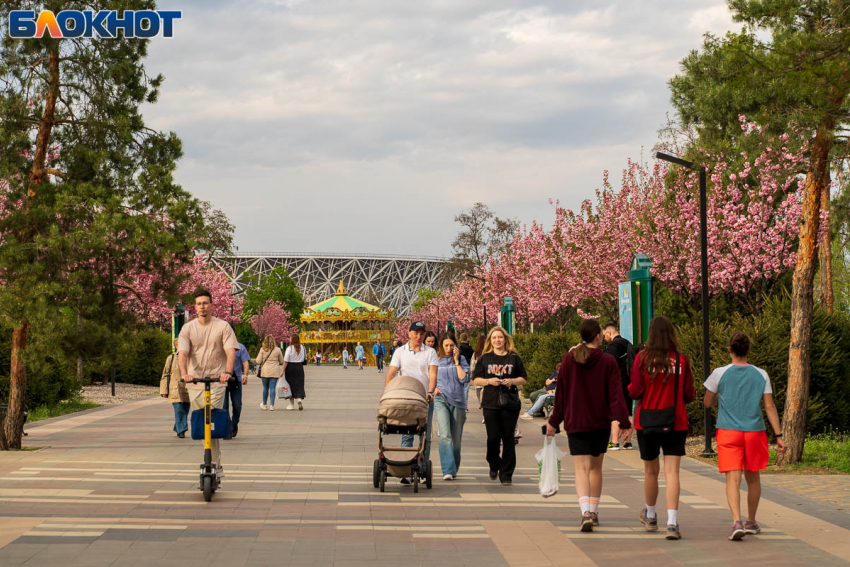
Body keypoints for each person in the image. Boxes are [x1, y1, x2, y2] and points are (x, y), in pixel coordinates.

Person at [547, 319, 630, 532]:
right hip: (600, 422)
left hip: (576, 422)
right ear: (598, 336)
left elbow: (561, 395)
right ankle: (593, 511)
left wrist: (554, 421)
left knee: (581, 469)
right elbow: (616, 395)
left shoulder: (569, 360)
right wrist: (623, 421)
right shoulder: (608, 361)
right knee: (596, 468)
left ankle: (584, 511)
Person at [704, 332, 785, 541]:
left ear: (730, 350)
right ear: (748, 350)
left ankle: (736, 522)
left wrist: (717, 396)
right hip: (754, 432)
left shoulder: (718, 373)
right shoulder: (761, 374)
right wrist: (779, 435)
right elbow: (769, 406)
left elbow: (707, 403)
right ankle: (751, 521)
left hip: (728, 431)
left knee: (733, 478)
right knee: (753, 478)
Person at [628, 316, 695, 540]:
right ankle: (672, 523)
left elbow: (635, 391)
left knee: (650, 472)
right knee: (672, 472)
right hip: (675, 421)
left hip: (646, 421)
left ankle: (651, 515)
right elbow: (689, 394)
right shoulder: (681, 360)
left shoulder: (642, 358)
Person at [178, 288, 239, 478]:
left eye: (205, 303)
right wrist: (184, 374)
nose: (202, 306)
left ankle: (215, 464)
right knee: (201, 424)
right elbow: (183, 353)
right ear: (195, 307)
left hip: (217, 382)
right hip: (195, 382)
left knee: (211, 422)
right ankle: (208, 459)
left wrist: (227, 373)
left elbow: (230, 352)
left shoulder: (223, 326)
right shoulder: (188, 328)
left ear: (211, 305)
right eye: (198, 303)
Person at [472, 326, 527, 486]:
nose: (497, 340)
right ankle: (494, 463)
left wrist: (513, 381)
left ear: (505, 340)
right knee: (493, 438)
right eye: (494, 338)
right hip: (491, 403)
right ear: (490, 341)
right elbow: (476, 380)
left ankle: (507, 474)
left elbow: (523, 378)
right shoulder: (485, 358)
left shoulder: (514, 358)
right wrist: (489, 381)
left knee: (508, 438)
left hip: (510, 403)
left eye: (500, 337)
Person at [386, 321, 438, 484]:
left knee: (425, 436)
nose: (419, 336)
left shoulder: (430, 352)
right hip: (406, 397)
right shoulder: (400, 352)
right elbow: (392, 373)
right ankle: (406, 469)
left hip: (424, 399)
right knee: (406, 434)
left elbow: (433, 375)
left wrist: (430, 392)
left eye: (422, 333)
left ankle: (422, 467)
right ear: (409, 334)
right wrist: (388, 392)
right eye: (416, 332)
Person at [434, 333, 470, 480]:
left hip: (458, 401)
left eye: (451, 345)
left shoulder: (461, 360)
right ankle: (447, 470)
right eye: (446, 345)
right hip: (441, 399)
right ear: (441, 346)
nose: (449, 348)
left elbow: (464, 379)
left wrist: (456, 362)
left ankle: (453, 468)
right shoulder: (436, 360)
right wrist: (433, 388)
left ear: (456, 346)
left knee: (456, 439)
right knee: (445, 436)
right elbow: (429, 376)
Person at [603, 324, 635, 450]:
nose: (604, 337)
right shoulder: (628, 343)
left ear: (609, 332)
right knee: (628, 411)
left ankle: (615, 442)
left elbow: (607, 365)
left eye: (605, 334)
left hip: (617, 382)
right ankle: (627, 442)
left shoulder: (613, 346)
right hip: (629, 381)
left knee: (614, 411)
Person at [160, 339, 190, 438]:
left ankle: (178, 426)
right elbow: (165, 374)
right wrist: (164, 390)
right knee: (179, 410)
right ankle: (181, 430)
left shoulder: (190, 358)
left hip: (187, 388)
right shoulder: (171, 358)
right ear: (176, 346)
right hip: (174, 388)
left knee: (185, 409)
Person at [223, 340, 251, 439]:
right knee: (223, 406)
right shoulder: (219, 347)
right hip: (221, 381)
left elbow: (245, 362)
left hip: (236, 380)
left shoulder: (240, 347)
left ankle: (234, 423)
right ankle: (227, 428)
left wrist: (245, 375)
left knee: (237, 405)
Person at [255, 335, 284, 411]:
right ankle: (272, 405)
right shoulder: (277, 350)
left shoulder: (262, 350)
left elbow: (258, 361)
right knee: (272, 388)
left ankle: (264, 404)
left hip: (265, 371)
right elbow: (282, 361)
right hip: (274, 371)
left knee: (265, 388)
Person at [280, 333, 307, 410]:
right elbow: (304, 358)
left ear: (292, 340)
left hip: (290, 367)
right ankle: (299, 399)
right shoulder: (303, 348)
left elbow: (285, 361)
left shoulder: (289, 348)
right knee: (299, 384)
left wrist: (282, 371)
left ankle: (291, 404)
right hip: (299, 367)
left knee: (290, 385)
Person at [470, 336, 486, 416]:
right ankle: (486, 414)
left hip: (479, 380)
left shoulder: (476, 354)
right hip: (487, 380)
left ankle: (484, 413)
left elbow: (472, 367)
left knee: (480, 397)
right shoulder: (489, 353)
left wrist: (471, 376)